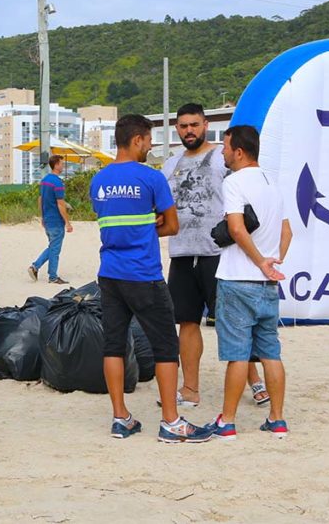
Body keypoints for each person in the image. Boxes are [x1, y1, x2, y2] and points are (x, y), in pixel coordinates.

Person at [90, 114, 202, 443]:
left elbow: (110, 219)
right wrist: (149, 227)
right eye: (149, 141)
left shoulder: (99, 180)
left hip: (110, 273)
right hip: (144, 273)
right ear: (137, 139)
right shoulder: (151, 179)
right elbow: (172, 225)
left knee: (113, 345)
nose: (150, 147)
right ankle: (170, 421)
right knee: (166, 346)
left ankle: (120, 418)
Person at [189, 125, 293, 442]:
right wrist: (273, 262)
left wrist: (260, 260)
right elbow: (287, 232)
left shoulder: (234, 182)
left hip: (237, 280)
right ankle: (277, 420)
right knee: (270, 353)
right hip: (267, 284)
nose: (222, 153)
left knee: (237, 355)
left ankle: (228, 422)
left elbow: (235, 229)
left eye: (226, 148)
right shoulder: (273, 182)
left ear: (239, 152)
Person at [28, 154, 73, 285]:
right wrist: (67, 222)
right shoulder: (57, 182)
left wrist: (42, 216)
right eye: (62, 163)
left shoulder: (45, 180)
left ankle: (35, 267)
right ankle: (52, 276)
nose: (63, 166)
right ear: (57, 164)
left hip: (47, 219)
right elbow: (60, 204)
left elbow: (40, 199)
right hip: (55, 221)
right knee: (55, 249)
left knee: (52, 247)